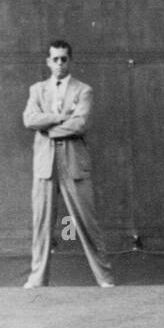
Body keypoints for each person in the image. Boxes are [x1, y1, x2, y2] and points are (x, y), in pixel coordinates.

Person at [22, 40, 116, 288]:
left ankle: (104, 278)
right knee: (41, 223)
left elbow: (80, 123)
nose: (60, 63)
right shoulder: (37, 90)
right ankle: (37, 278)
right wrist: (59, 118)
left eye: (64, 59)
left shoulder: (83, 90)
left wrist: (49, 129)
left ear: (70, 61)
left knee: (87, 223)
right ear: (48, 62)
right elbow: (29, 119)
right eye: (55, 59)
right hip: (45, 164)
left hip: (74, 164)